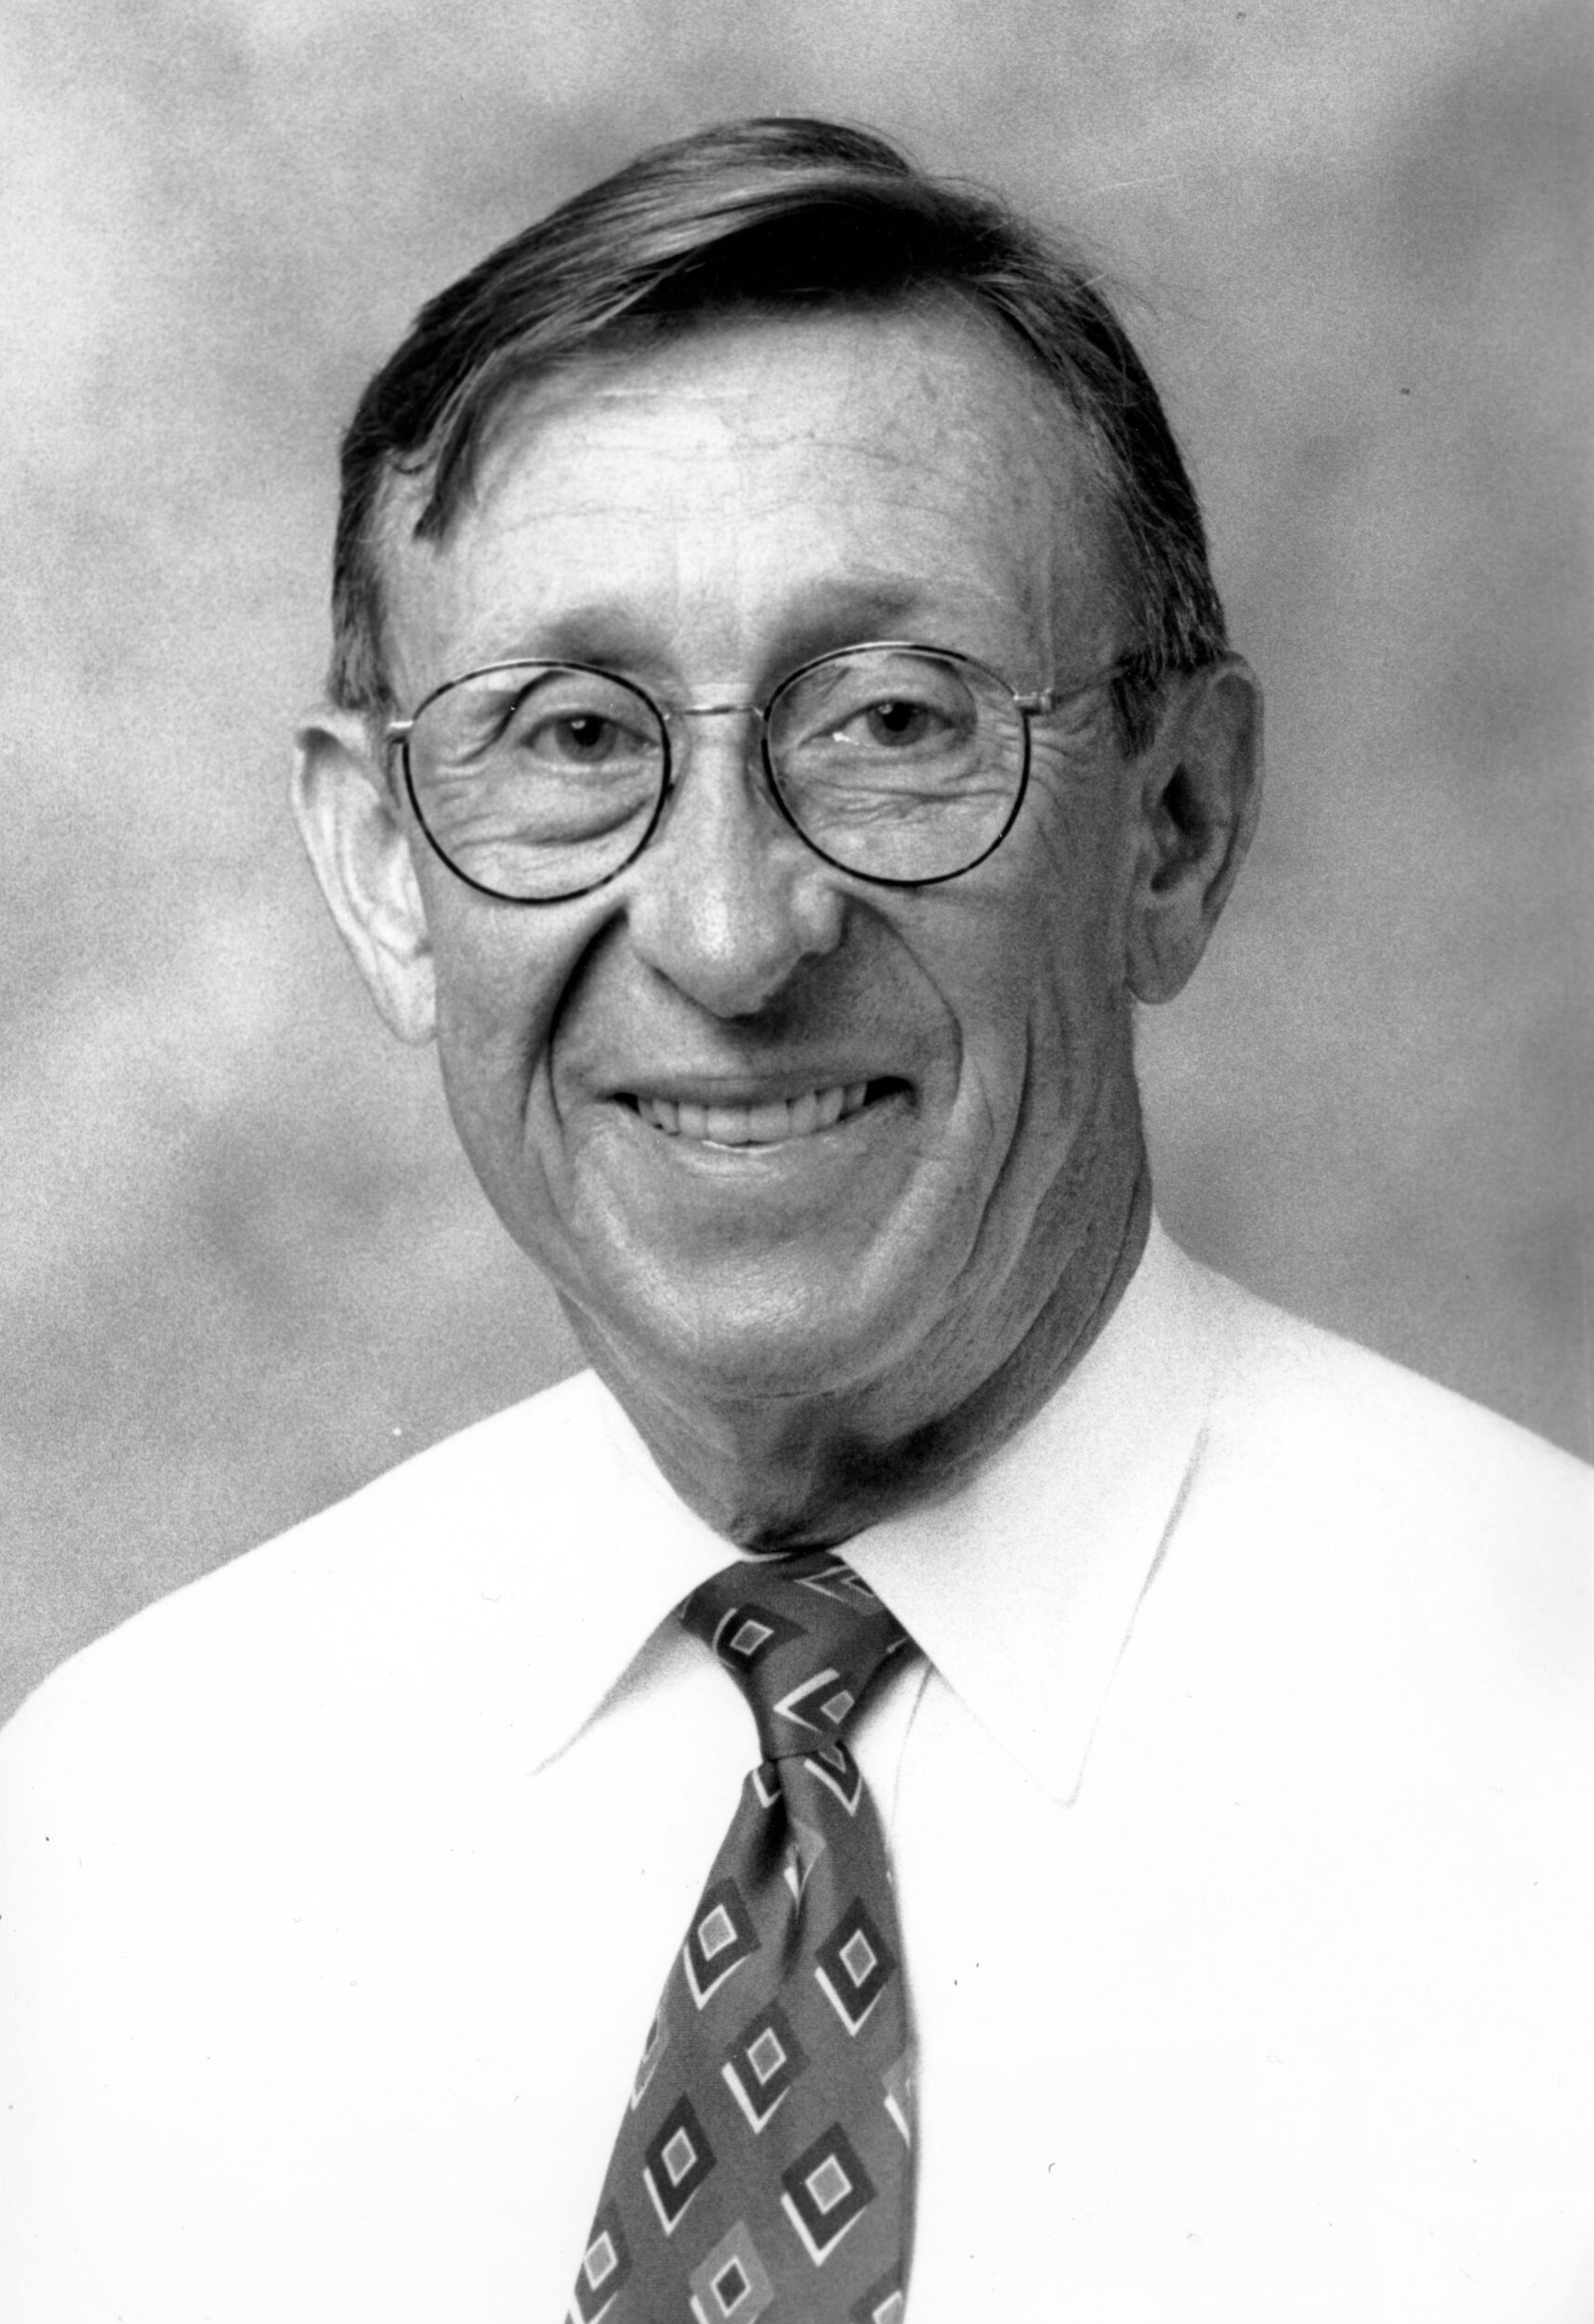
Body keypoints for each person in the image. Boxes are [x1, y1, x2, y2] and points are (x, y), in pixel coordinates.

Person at [0, 116, 1588, 2324]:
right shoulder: (112, 1833)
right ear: (383, 871)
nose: (736, 933)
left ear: (1175, 825)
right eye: (568, 731)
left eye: (894, 722)